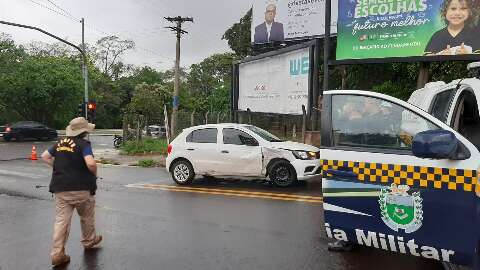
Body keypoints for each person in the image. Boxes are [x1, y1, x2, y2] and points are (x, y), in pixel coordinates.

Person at [41, 117, 102, 267]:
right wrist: (94, 173)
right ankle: (89, 241)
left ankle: (57, 253)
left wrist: (59, 167)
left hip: (61, 189)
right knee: (87, 216)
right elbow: (91, 163)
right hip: (81, 189)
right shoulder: (84, 144)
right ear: (84, 131)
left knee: (61, 221)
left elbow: (44, 156)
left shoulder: (60, 143)